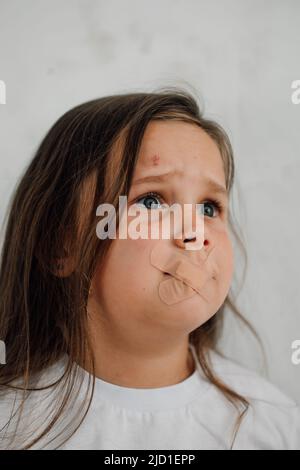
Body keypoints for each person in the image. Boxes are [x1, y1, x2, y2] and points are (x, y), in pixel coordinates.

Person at [0, 89, 299, 449]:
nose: (195, 232)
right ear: (61, 247)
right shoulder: (11, 425)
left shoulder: (271, 425)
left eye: (209, 207)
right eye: (152, 201)